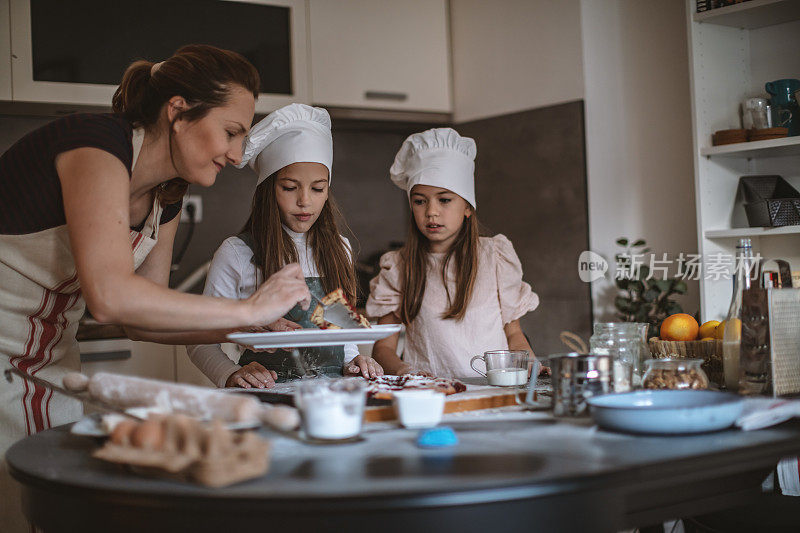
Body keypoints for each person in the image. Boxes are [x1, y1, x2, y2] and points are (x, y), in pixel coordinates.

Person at [0, 45, 310, 532]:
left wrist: (253, 324)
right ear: (179, 110)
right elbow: (110, 296)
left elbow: (137, 321)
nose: (235, 153)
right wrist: (245, 310)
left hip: (47, 360)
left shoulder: (167, 194)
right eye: (231, 132)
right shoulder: (95, 146)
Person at [188, 104, 383, 388]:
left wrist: (353, 360)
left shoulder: (340, 248)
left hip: (331, 399)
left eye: (318, 188)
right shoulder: (237, 252)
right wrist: (229, 373)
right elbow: (199, 340)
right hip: (267, 395)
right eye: (290, 187)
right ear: (268, 190)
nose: (305, 201)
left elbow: (340, 327)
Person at [367, 128, 541, 378]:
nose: (431, 212)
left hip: (493, 392)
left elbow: (514, 335)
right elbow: (383, 348)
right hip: (431, 396)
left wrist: (532, 368)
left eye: (445, 200)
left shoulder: (495, 258)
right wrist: (407, 371)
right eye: (420, 201)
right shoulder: (400, 267)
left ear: (468, 207)